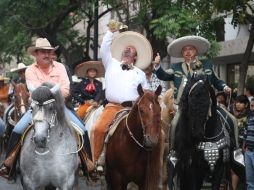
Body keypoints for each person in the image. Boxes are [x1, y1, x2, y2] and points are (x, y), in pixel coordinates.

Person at [0, 37, 94, 180]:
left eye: (49, 52)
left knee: (82, 129)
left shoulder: (61, 67)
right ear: (36, 54)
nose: (47, 55)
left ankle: (89, 166)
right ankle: (8, 166)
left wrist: (48, 92)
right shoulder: (30, 70)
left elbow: (66, 90)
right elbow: (35, 92)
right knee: (17, 129)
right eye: (43, 52)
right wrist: (53, 91)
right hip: (38, 108)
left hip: (61, 108)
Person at [91, 20, 152, 172]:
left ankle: (152, 164)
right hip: (113, 107)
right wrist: (111, 32)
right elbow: (105, 47)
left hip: (134, 109)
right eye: (126, 49)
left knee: (153, 130)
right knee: (97, 129)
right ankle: (96, 160)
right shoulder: (110, 63)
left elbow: (146, 94)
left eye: (131, 50)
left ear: (135, 56)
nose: (127, 50)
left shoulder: (140, 74)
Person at [153, 35, 232, 148]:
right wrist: (157, 66)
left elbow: (216, 81)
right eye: (185, 49)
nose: (188, 52)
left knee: (231, 119)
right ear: (182, 53)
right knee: (175, 125)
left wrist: (224, 87)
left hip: (207, 106)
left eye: (190, 49)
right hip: (183, 108)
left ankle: (236, 151)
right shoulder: (176, 67)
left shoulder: (207, 64)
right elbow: (164, 75)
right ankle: (173, 152)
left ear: (196, 51)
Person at [229, 94, 249, 190]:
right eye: (237, 102)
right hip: (231, 145)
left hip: (244, 146)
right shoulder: (230, 114)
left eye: (241, 103)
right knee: (232, 169)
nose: (238, 104)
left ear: (245, 104)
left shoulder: (249, 115)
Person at [243, 97, 254, 190]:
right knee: (249, 179)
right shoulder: (250, 117)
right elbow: (246, 132)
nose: (252, 108)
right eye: (251, 106)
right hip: (248, 151)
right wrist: (244, 146)